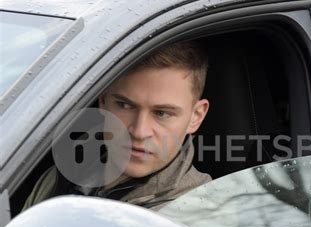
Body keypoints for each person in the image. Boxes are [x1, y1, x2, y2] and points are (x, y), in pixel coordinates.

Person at [23, 41, 211, 210]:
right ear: (103, 102)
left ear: (196, 117)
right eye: (125, 105)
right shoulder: (61, 175)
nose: (139, 131)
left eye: (162, 113)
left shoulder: (200, 211)